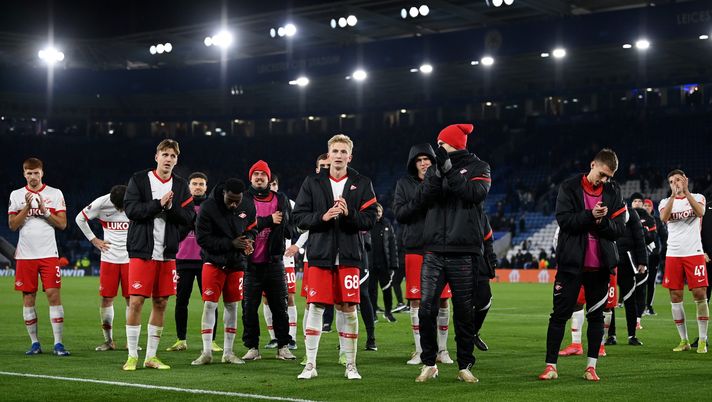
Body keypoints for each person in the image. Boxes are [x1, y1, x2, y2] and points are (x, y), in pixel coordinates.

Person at [293, 134, 378, 380]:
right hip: (320, 255)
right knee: (316, 306)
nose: (339, 156)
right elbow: (299, 218)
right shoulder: (312, 181)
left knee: (349, 308)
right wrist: (323, 216)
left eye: (343, 152)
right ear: (328, 155)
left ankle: (351, 365)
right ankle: (310, 365)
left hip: (350, 256)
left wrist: (349, 214)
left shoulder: (362, 183)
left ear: (350, 156)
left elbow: (371, 219)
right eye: (335, 151)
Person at [412, 124, 490, 383]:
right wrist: (437, 172)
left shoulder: (481, 168)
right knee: (425, 309)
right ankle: (428, 363)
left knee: (464, 312)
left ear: (452, 143)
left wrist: (447, 169)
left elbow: (472, 194)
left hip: (464, 250)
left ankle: (465, 364)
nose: (438, 148)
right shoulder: (435, 168)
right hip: (434, 249)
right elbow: (424, 197)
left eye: (441, 143)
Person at [540, 148, 626, 382]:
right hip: (571, 265)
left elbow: (620, 228)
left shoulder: (613, 191)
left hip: (600, 267)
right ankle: (551, 366)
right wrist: (590, 215)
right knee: (559, 315)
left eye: (609, 177)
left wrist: (602, 222)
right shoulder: (568, 187)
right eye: (603, 174)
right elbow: (564, 221)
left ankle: (591, 367)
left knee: (596, 317)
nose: (605, 180)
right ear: (593, 165)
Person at [122, 139, 196, 371]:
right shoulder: (139, 180)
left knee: (161, 302)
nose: (168, 159)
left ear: (177, 160)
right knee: (136, 302)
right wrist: (158, 204)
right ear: (156, 157)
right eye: (165, 154)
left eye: (173, 156)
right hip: (142, 251)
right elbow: (131, 210)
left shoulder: (181, 185)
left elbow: (188, 218)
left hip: (166, 253)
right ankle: (132, 355)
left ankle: (151, 357)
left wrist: (170, 209)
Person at [393, 143, 454, 366]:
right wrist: (422, 197)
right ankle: (420, 350)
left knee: (444, 300)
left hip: (440, 247)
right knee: (417, 301)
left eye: (426, 159)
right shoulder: (403, 184)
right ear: (413, 164)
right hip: (415, 248)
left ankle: (443, 350)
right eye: (418, 160)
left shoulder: (444, 180)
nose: (423, 163)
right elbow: (400, 213)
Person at [191, 178, 257, 365]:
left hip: (236, 263)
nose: (234, 204)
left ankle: (228, 352)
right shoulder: (208, 207)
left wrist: (249, 241)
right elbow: (202, 239)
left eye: (238, 200)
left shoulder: (247, 205)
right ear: (223, 194)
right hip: (213, 262)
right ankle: (206, 352)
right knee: (210, 305)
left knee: (232, 306)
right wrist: (230, 244)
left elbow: (253, 228)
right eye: (231, 200)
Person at [8, 157, 70, 356]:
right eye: (29, 173)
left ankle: (58, 344)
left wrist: (44, 211)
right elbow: (12, 225)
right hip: (26, 255)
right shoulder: (17, 195)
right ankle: (35, 343)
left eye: (36, 173)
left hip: (48, 254)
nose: (33, 176)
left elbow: (62, 224)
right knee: (28, 297)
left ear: (42, 173)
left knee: (53, 295)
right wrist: (27, 207)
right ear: (24, 173)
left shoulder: (55, 193)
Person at [241, 160, 296, 361]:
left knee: (280, 307)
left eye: (262, 174)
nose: (259, 177)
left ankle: (283, 346)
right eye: (255, 174)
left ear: (268, 178)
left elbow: (289, 224)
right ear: (251, 178)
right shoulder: (244, 199)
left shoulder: (280, 198)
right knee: (249, 308)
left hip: (274, 262)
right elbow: (242, 224)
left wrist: (287, 230)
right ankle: (252, 347)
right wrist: (269, 221)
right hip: (250, 264)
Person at [167, 172, 221, 353]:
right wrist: (191, 222)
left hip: (206, 260)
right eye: (194, 184)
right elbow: (176, 231)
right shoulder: (181, 205)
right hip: (182, 260)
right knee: (181, 301)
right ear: (189, 186)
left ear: (206, 187)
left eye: (201, 184)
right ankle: (181, 339)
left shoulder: (212, 207)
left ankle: (212, 341)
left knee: (210, 301)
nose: (198, 187)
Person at [75, 185, 131, 351]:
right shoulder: (101, 203)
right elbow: (80, 218)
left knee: (132, 300)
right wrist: (94, 240)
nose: (121, 209)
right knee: (106, 298)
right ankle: (109, 341)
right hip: (109, 258)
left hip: (131, 259)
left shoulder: (136, 200)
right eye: (117, 207)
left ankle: (131, 341)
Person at [659, 169, 707, 353]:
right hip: (673, 254)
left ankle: (702, 340)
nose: (675, 183)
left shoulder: (698, 197)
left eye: (678, 180)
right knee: (675, 297)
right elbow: (664, 218)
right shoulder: (665, 202)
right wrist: (673, 196)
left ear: (686, 180)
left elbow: (700, 212)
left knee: (699, 294)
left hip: (694, 252)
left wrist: (686, 192)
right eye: (671, 181)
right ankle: (683, 340)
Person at [262, 174, 299, 351]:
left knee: (289, 297)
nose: (271, 187)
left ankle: (291, 337)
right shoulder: (257, 203)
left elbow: (305, 227)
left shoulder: (289, 204)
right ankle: (274, 338)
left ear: (277, 185)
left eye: (274, 184)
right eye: (269, 184)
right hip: (263, 258)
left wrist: (297, 245)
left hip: (285, 259)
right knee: (266, 299)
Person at [607, 193, 648, 346]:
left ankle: (632, 335)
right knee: (609, 301)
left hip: (626, 262)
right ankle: (610, 335)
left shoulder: (631, 213)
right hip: (610, 262)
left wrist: (642, 261)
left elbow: (640, 237)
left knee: (630, 299)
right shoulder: (606, 211)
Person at [368, 203, 399, 323]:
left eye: (379, 211)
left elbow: (392, 245)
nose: (377, 214)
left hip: (384, 264)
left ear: (382, 212)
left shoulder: (387, 225)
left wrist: (394, 264)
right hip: (371, 264)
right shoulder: (367, 225)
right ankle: (373, 313)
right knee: (372, 291)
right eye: (375, 212)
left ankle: (388, 312)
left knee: (387, 290)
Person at [473, 215, 497, 352]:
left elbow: (488, 241)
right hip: (456, 259)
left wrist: (491, 263)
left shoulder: (480, 214)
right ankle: (440, 348)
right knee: (460, 304)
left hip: (479, 262)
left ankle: (473, 332)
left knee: (485, 300)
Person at [643, 198, 667, 316]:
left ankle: (649, 306)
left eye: (649, 205)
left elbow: (664, 236)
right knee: (640, 282)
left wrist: (660, 252)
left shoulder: (657, 220)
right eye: (645, 205)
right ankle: (641, 306)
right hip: (640, 256)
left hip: (653, 256)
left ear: (652, 208)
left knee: (651, 281)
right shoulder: (636, 219)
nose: (647, 207)